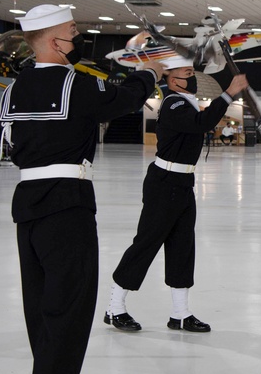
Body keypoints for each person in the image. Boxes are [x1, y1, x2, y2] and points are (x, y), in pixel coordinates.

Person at [0, 4, 164, 374]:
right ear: (54, 42)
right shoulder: (75, 82)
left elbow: (8, 146)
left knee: (43, 311)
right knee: (69, 314)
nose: (79, 39)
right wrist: (146, 70)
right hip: (67, 205)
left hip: (27, 204)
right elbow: (124, 99)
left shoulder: (14, 88)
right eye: (73, 33)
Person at [106, 56, 247, 333]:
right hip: (164, 182)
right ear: (172, 80)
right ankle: (114, 308)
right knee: (146, 243)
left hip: (182, 182)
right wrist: (229, 93)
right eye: (186, 73)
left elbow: (201, 121)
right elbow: (201, 122)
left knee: (183, 246)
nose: (191, 77)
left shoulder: (186, 102)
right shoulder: (174, 102)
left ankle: (180, 314)